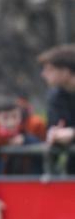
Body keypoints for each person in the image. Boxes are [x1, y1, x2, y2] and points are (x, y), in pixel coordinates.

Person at [38, 44, 75, 173]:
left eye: (50, 70)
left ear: (66, 72)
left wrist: (72, 134)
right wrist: (54, 134)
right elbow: (54, 126)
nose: (43, 74)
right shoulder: (55, 97)